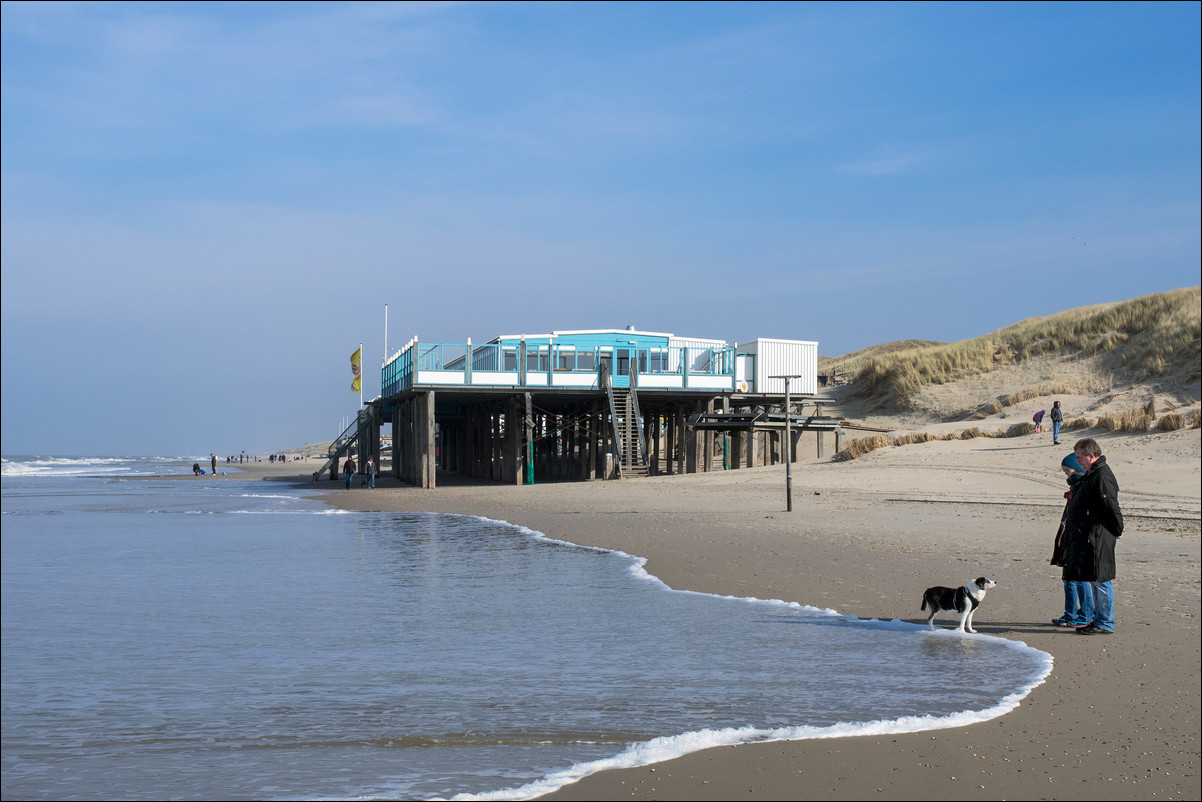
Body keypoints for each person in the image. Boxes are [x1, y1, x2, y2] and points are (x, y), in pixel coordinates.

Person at [1061, 438, 1124, 635]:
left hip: (1100, 533)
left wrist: (1118, 529)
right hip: (1091, 533)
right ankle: (1099, 620)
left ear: (1091, 455)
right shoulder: (1093, 472)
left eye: (1080, 458)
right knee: (1095, 577)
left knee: (1101, 578)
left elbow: (1110, 504)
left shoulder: (1101, 474)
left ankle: (1104, 622)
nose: (1078, 461)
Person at [1050, 452, 1092, 627]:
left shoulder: (1084, 483)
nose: (1066, 473)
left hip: (1079, 537)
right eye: (1064, 470)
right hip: (1068, 535)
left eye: (1067, 470)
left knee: (1080, 578)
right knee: (1068, 577)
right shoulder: (1076, 485)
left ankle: (1086, 614)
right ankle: (1071, 614)